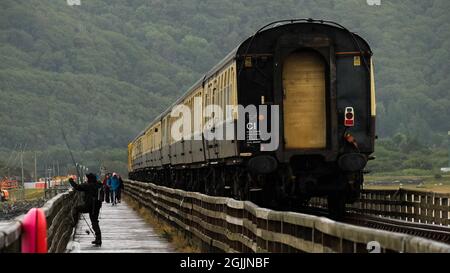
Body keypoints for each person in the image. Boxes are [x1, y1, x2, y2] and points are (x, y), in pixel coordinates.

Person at [69, 173, 103, 246]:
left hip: (89, 206)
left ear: (90, 179)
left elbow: (77, 187)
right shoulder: (98, 185)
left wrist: (71, 180)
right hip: (96, 206)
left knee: (76, 209)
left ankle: (74, 223)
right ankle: (98, 239)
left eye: (87, 178)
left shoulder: (88, 185)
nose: (87, 179)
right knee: (94, 222)